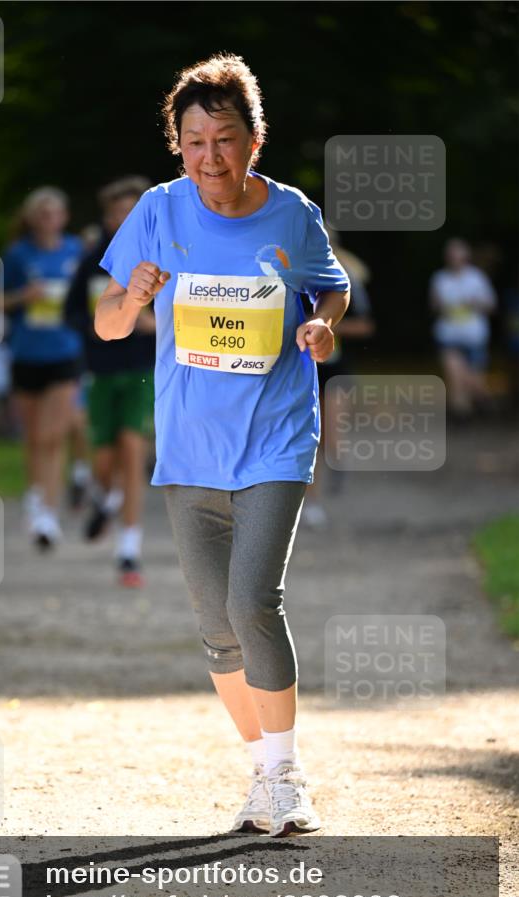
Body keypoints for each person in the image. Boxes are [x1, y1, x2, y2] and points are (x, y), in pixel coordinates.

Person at [95, 54, 350, 836]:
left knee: (251, 601)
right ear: (177, 143)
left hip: (274, 436)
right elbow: (107, 323)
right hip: (189, 445)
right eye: (195, 139)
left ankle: (285, 774)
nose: (211, 155)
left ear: (254, 140)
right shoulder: (158, 212)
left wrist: (321, 325)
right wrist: (131, 297)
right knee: (214, 627)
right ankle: (263, 770)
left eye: (225, 138)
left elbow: (330, 285)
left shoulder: (291, 214)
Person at [65, 176, 156, 588]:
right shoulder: (91, 262)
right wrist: (105, 323)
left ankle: (129, 550)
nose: (123, 219)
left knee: (132, 448)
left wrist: (149, 323)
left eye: (130, 211)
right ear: (105, 217)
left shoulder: (160, 257)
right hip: (100, 368)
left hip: (141, 368)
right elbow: (71, 314)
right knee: (103, 457)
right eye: (116, 212)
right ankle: (105, 498)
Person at [2, 187, 86, 548]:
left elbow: (91, 296)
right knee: (34, 436)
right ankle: (35, 494)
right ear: (31, 218)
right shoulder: (18, 254)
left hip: (65, 352)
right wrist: (24, 296)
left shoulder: (76, 252)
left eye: (54, 213)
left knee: (54, 435)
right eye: (42, 213)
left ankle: (48, 513)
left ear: (64, 217)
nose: (48, 220)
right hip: (26, 354)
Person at [302, 233, 375, 527]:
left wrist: (328, 324)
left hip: (336, 368)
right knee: (311, 434)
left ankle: (337, 460)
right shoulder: (294, 274)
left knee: (331, 435)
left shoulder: (346, 279)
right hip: (304, 367)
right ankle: (313, 501)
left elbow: (366, 325)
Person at [429, 238, 497, 420]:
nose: (454, 258)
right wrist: (441, 305)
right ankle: (460, 417)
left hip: (474, 336)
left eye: (457, 255)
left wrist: (475, 303)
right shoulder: (440, 278)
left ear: (465, 257)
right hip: (448, 335)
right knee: (454, 375)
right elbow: (433, 306)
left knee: (473, 380)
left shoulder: (477, 278)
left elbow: (491, 305)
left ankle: (482, 400)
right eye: (451, 255)